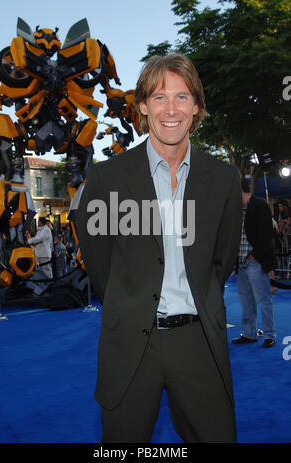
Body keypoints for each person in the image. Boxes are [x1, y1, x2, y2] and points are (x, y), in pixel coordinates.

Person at [77, 53, 242, 443]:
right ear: (142, 108)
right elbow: (100, 265)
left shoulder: (223, 179)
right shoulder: (107, 178)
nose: (171, 109)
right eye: (159, 97)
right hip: (131, 340)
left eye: (182, 97)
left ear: (196, 106)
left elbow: (223, 261)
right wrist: (129, 301)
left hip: (199, 340)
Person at [232, 178, 276, 347]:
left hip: (255, 261)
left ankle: (269, 335)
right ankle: (249, 333)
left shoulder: (260, 205)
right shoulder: (236, 210)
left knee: (263, 299)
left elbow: (266, 235)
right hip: (242, 263)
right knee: (246, 301)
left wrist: (255, 255)